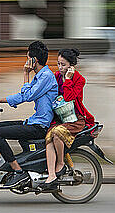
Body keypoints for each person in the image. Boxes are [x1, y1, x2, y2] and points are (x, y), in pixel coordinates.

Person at [0, 40, 58, 188]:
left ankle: (18, 171)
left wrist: (25, 74)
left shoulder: (46, 76)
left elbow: (28, 96)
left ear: (34, 60)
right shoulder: (40, 76)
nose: (26, 62)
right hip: (32, 121)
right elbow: (22, 96)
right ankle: (4, 160)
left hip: (39, 126)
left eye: (28, 58)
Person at [41, 48, 95, 191]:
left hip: (75, 119)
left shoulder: (79, 79)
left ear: (71, 65)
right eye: (58, 64)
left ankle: (60, 163)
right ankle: (51, 174)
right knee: (49, 138)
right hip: (59, 118)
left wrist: (69, 80)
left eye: (63, 64)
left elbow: (69, 97)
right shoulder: (57, 76)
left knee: (58, 133)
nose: (60, 67)